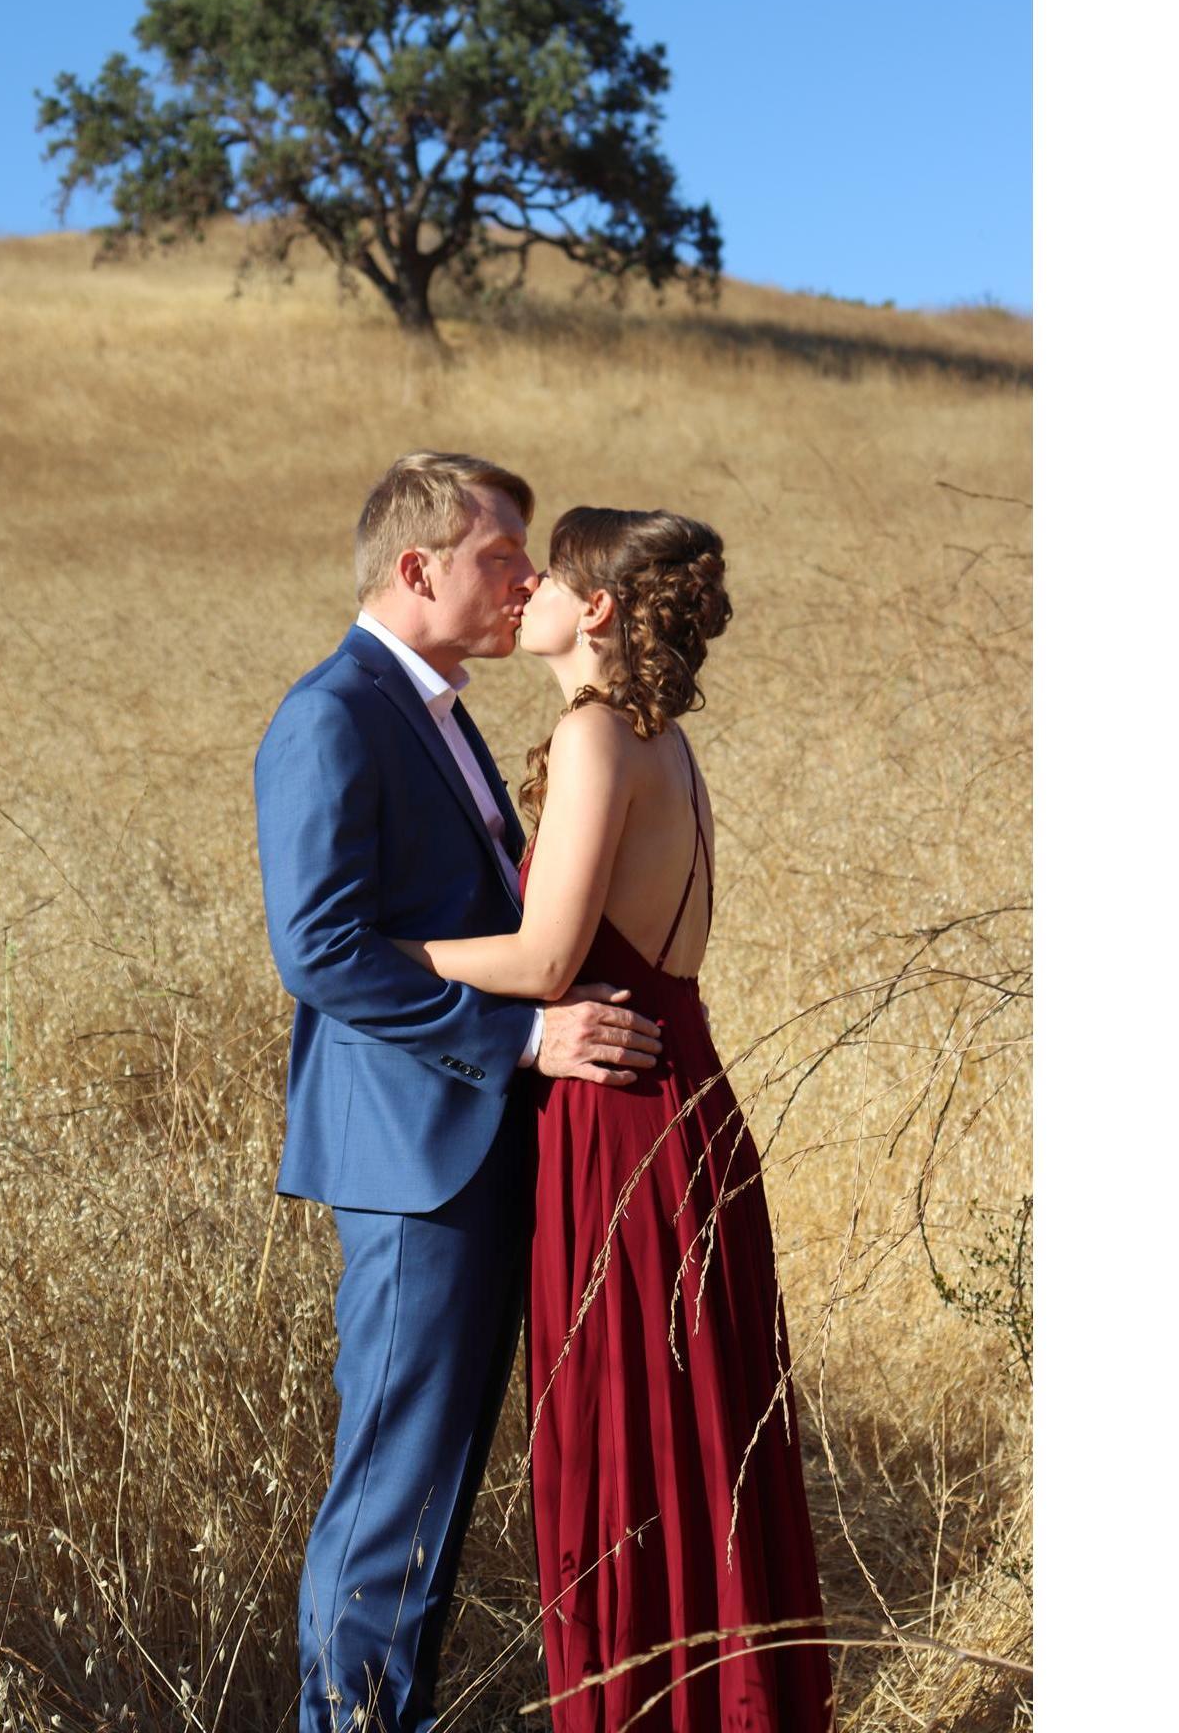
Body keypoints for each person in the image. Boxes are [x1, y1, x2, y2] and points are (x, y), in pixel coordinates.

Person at [394, 507, 834, 1733]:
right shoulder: (663, 743)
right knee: (695, 1457)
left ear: (593, 610)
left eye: (547, 573)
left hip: (622, 1131)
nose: (521, 584)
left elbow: (543, 960)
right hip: (679, 1112)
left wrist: (390, 950)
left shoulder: (596, 736)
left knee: (630, 1457)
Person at [254, 453, 667, 1733]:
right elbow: (317, 950)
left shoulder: (435, 708)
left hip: (473, 1153)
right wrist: (521, 1043)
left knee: (428, 1498)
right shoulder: (334, 711)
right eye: (501, 556)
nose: (524, 579)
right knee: (389, 1497)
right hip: (408, 1158)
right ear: (416, 566)